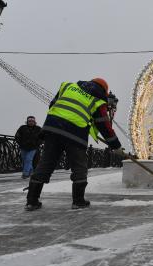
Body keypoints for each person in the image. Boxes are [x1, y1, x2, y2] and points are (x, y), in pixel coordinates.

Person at [24, 78, 123, 211]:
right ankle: (78, 201)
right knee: (79, 167)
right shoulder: (97, 100)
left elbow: (52, 104)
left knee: (45, 164)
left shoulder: (68, 86)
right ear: (104, 91)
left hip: (53, 129)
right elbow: (104, 126)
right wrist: (116, 145)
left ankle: (32, 201)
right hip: (75, 134)